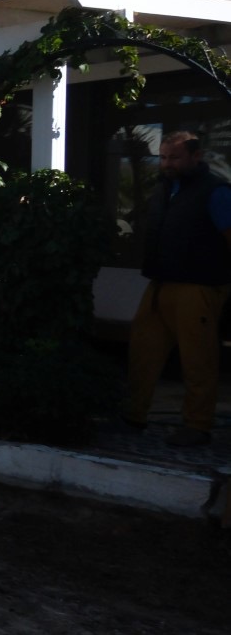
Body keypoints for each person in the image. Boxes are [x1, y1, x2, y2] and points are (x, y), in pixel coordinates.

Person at [124, 130, 231, 446]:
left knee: (198, 359)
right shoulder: (162, 189)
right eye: (164, 157)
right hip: (160, 284)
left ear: (195, 157)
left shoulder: (216, 192)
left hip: (197, 287)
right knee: (142, 352)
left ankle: (197, 425)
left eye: (175, 157)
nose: (167, 163)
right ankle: (133, 416)